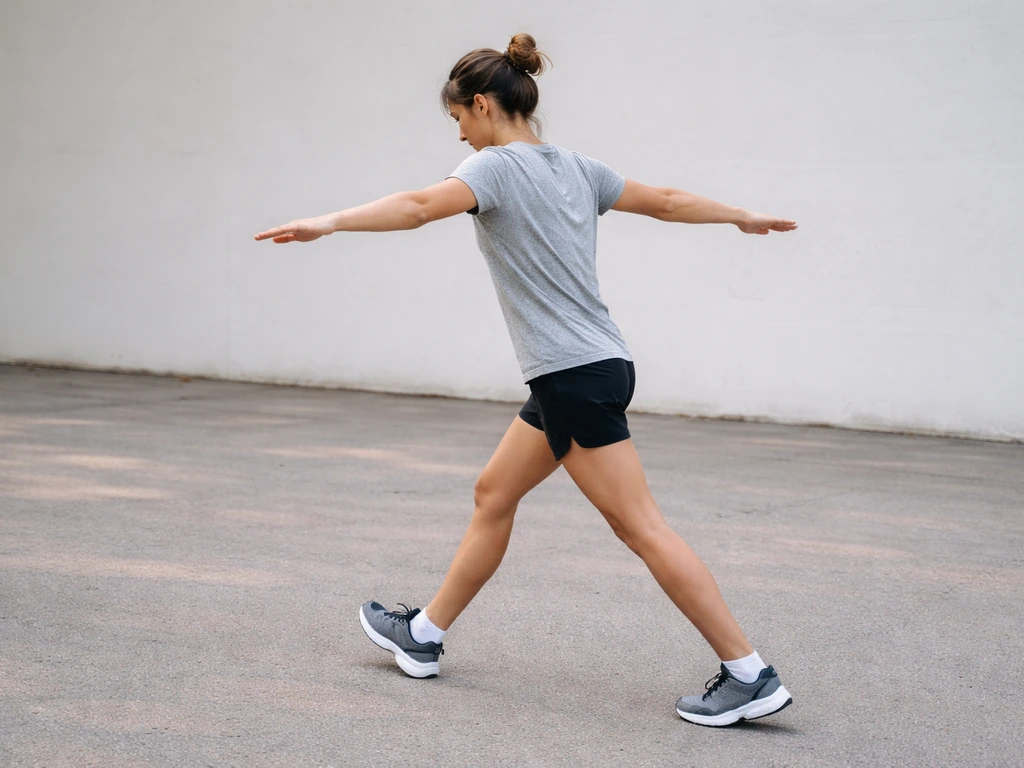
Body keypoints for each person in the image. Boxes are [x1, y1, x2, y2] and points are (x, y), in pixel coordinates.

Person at [255, 33, 797, 726]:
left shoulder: (495, 169)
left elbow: (419, 207)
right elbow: (662, 199)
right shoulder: (575, 166)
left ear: (482, 105)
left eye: (458, 118)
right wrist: (739, 214)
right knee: (493, 493)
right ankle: (423, 635)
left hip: (572, 376)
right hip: (592, 367)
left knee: (643, 529)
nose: (459, 133)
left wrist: (326, 222)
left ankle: (749, 672)